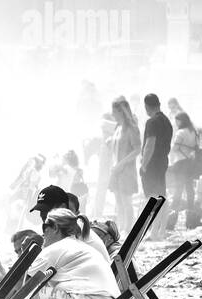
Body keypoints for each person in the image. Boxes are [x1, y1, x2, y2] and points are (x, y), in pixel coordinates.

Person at [13, 210, 119, 299]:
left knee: (30, 295)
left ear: (55, 228)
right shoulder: (80, 246)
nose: (42, 233)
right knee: (43, 291)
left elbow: (24, 288)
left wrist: (26, 255)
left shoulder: (54, 249)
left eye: (45, 227)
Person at [30, 184, 107, 257]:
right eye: (40, 210)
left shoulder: (70, 231)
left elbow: (45, 261)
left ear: (62, 207)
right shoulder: (65, 227)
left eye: (46, 210)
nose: (42, 215)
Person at [140, 94, 174, 240]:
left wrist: (143, 165)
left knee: (152, 199)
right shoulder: (167, 122)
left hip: (152, 164)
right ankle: (159, 232)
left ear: (147, 107)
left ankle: (154, 233)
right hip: (163, 162)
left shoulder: (151, 122)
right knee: (162, 197)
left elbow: (150, 145)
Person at [109, 98, 141, 234]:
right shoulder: (118, 128)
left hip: (126, 169)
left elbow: (137, 149)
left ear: (121, 112)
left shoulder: (131, 128)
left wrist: (122, 163)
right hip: (116, 169)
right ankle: (121, 227)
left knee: (126, 200)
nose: (112, 114)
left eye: (114, 111)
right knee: (118, 200)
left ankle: (129, 228)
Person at [168, 111, 199, 215]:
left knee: (179, 187)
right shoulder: (193, 131)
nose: (176, 123)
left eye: (177, 121)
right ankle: (191, 209)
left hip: (180, 162)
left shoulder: (180, 133)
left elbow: (175, 148)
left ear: (181, 121)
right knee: (189, 187)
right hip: (190, 162)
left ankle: (173, 210)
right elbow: (196, 146)